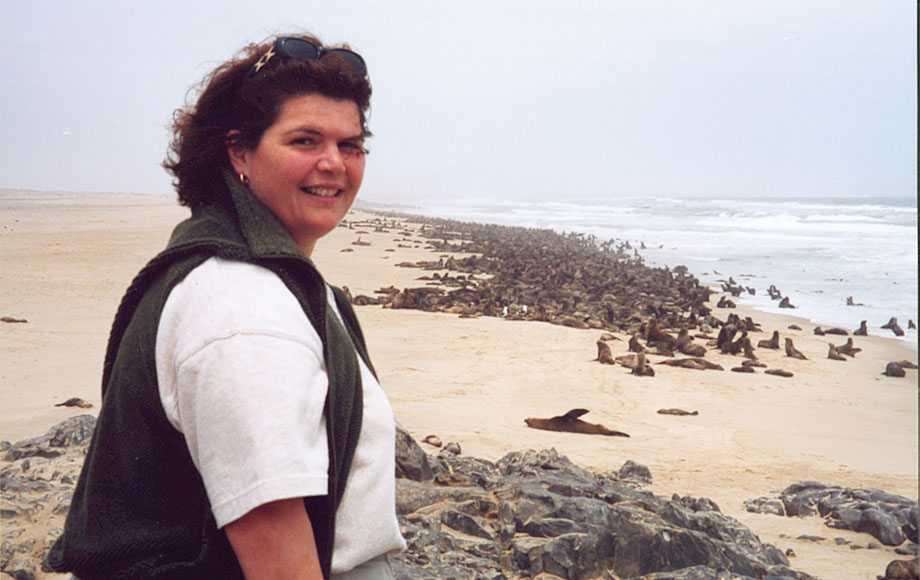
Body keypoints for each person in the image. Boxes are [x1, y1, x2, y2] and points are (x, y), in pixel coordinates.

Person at [48, 33, 406, 580]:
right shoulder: (241, 310)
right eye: (306, 141)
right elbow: (279, 560)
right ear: (239, 151)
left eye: (351, 145)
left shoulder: (257, 272)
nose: (334, 163)